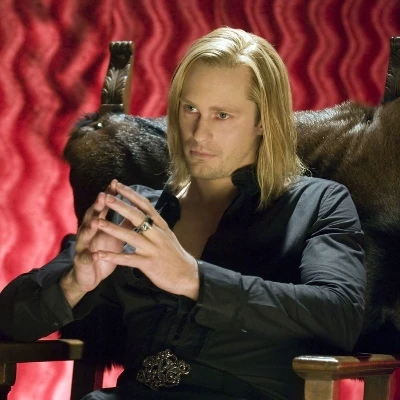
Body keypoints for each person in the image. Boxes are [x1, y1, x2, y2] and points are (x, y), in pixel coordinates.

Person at [0, 27, 366, 400]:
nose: (198, 133)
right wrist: (75, 283)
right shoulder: (132, 209)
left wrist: (195, 280)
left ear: (263, 121)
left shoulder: (320, 202)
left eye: (222, 115)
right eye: (190, 109)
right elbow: (8, 320)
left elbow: (340, 315)